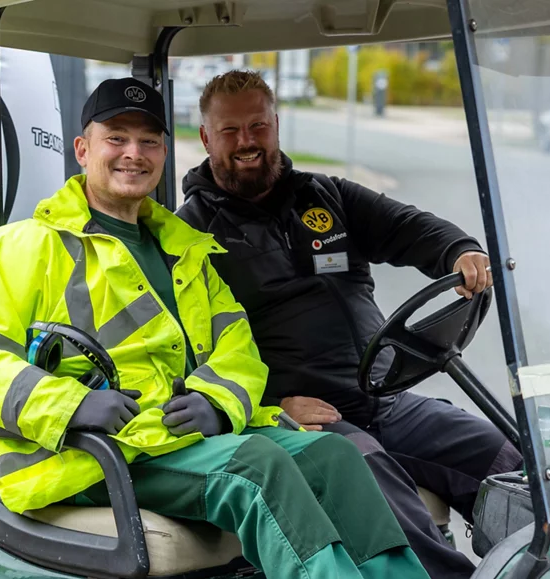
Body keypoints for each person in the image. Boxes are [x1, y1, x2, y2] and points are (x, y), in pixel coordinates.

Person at [0, 77, 429, 579]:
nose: (134, 153)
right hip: (86, 454)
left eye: (148, 142)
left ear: (165, 154)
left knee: (335, 458)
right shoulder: (25, 247)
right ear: (83, 150)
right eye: (117, 139)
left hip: (172, 441)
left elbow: (238, 348)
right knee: (258, 468)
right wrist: (72, 405)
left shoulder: (187, 248)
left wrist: (216, 402)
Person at [177, 70, 524, 578]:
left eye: (258, 126)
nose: (247, 142)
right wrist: (266, 409)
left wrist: (459, 250)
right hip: (301, 415)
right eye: (230, 132)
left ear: (277, 124)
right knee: (369, 478)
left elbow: (407, 226)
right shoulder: (191, 234)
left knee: (499, 454)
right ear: (206, 138)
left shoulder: (326, 196)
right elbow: (188, 355)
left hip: (383, 394)